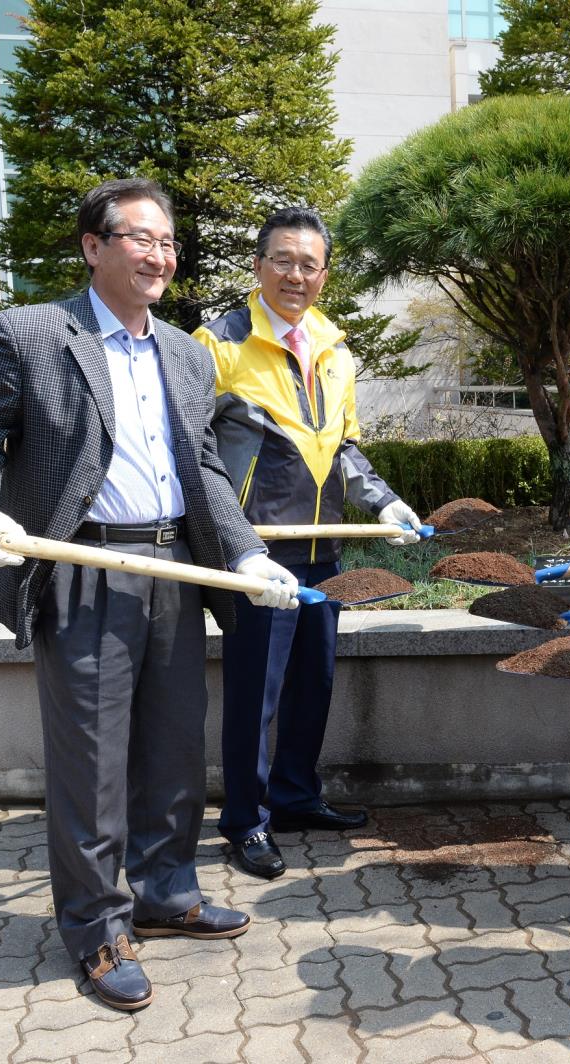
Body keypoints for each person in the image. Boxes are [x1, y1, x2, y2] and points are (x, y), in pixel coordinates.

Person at [0, 178, 302, 1012]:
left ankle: (167, 893)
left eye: (168, 242)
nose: (160, 254)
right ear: (94, 246)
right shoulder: (34, 334)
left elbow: (202, 467)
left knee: (176, 749)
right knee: (93, 766)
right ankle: (97, 930)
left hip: (174, 570)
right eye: (141, 238)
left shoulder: (183, 350)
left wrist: (246, 554)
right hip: (83, 569)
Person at [194, 206, 422, 881]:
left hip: (323, 547)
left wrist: (386, 501)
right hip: (257, 553)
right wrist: (232, 544)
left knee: (311, 685)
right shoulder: (219, 343)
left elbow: (344, 447)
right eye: (284, 260)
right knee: (255, 691)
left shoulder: (334, 345)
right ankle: (245, 819)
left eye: (310, 263)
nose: (297, 274)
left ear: (325, 273)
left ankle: (293, 797)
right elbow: (194, 452)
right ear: (259, 266)